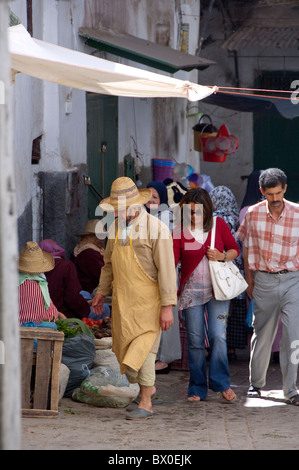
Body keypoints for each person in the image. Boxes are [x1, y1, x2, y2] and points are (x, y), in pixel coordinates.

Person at [92, 177, 177, 420]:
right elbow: (108, 265)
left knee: (145, 353)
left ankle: (147, 403)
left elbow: (167, 271)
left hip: (149, 303)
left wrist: (167, 307)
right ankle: (145, 391)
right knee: (126, 357)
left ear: (133, 204)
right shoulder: (115, 228)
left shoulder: (156, 229)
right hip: (123, 303)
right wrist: (101, 292)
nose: (115, 212)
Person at [237, 168, 299, 405]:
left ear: (285, 189)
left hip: (293, 279)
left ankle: (291, 389)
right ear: (262, 191)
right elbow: (245, 247)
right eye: (270, 194)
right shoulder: (251, 214)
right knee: (262, 334)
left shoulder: (297, 213)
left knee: (294, 336)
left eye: (278, 193)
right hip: (263, 280)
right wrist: (250, 282)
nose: (275, 199)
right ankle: (256, 384)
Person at [173, 187, 239, 403]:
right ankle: (197, 387)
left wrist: (221, 256)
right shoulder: (179, 230)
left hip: (217, 291)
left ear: (207, 210)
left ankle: (222, 384)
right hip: (191, 293)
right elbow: (172, 262)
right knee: (195, 341)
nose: (193, 217)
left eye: (197, 212)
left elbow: (234, 250)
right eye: (189, 212)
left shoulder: (218, 225)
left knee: (218, 337)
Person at [145, 181, 181, 373]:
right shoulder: (144, 215)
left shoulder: (165, 215)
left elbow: (161, 245)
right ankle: (155, 355)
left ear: (162, 199)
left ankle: (165, 358)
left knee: (166, 312)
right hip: (151, 272)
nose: (151, 199)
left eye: (155, 196)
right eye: (147, 195)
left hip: (165, 269)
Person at [210, 186, 248, 360]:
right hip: (237, 270)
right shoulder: (239, 218)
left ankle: (219, 349)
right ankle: (232, 349)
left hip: (220, 270)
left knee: (220, 310)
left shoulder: (214, 219)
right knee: (236, 308)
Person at [39, 239, 91, 319]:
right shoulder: (66, 266)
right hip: (64, 314)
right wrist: (86, 307)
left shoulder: (36, 267)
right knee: (103, 308)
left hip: (42, 314)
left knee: (86, 295)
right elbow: (73, 297)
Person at [18, 241, 61, 325]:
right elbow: (50, 311)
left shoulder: (12, 282)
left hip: (14, 326)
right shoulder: (41, 283)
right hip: (40, 325)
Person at [73, 220, 105, 295]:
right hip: (88, 292)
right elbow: (101, 275)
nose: (102, 239)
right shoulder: (89, 253)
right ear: (91, 237)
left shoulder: (98, 251)